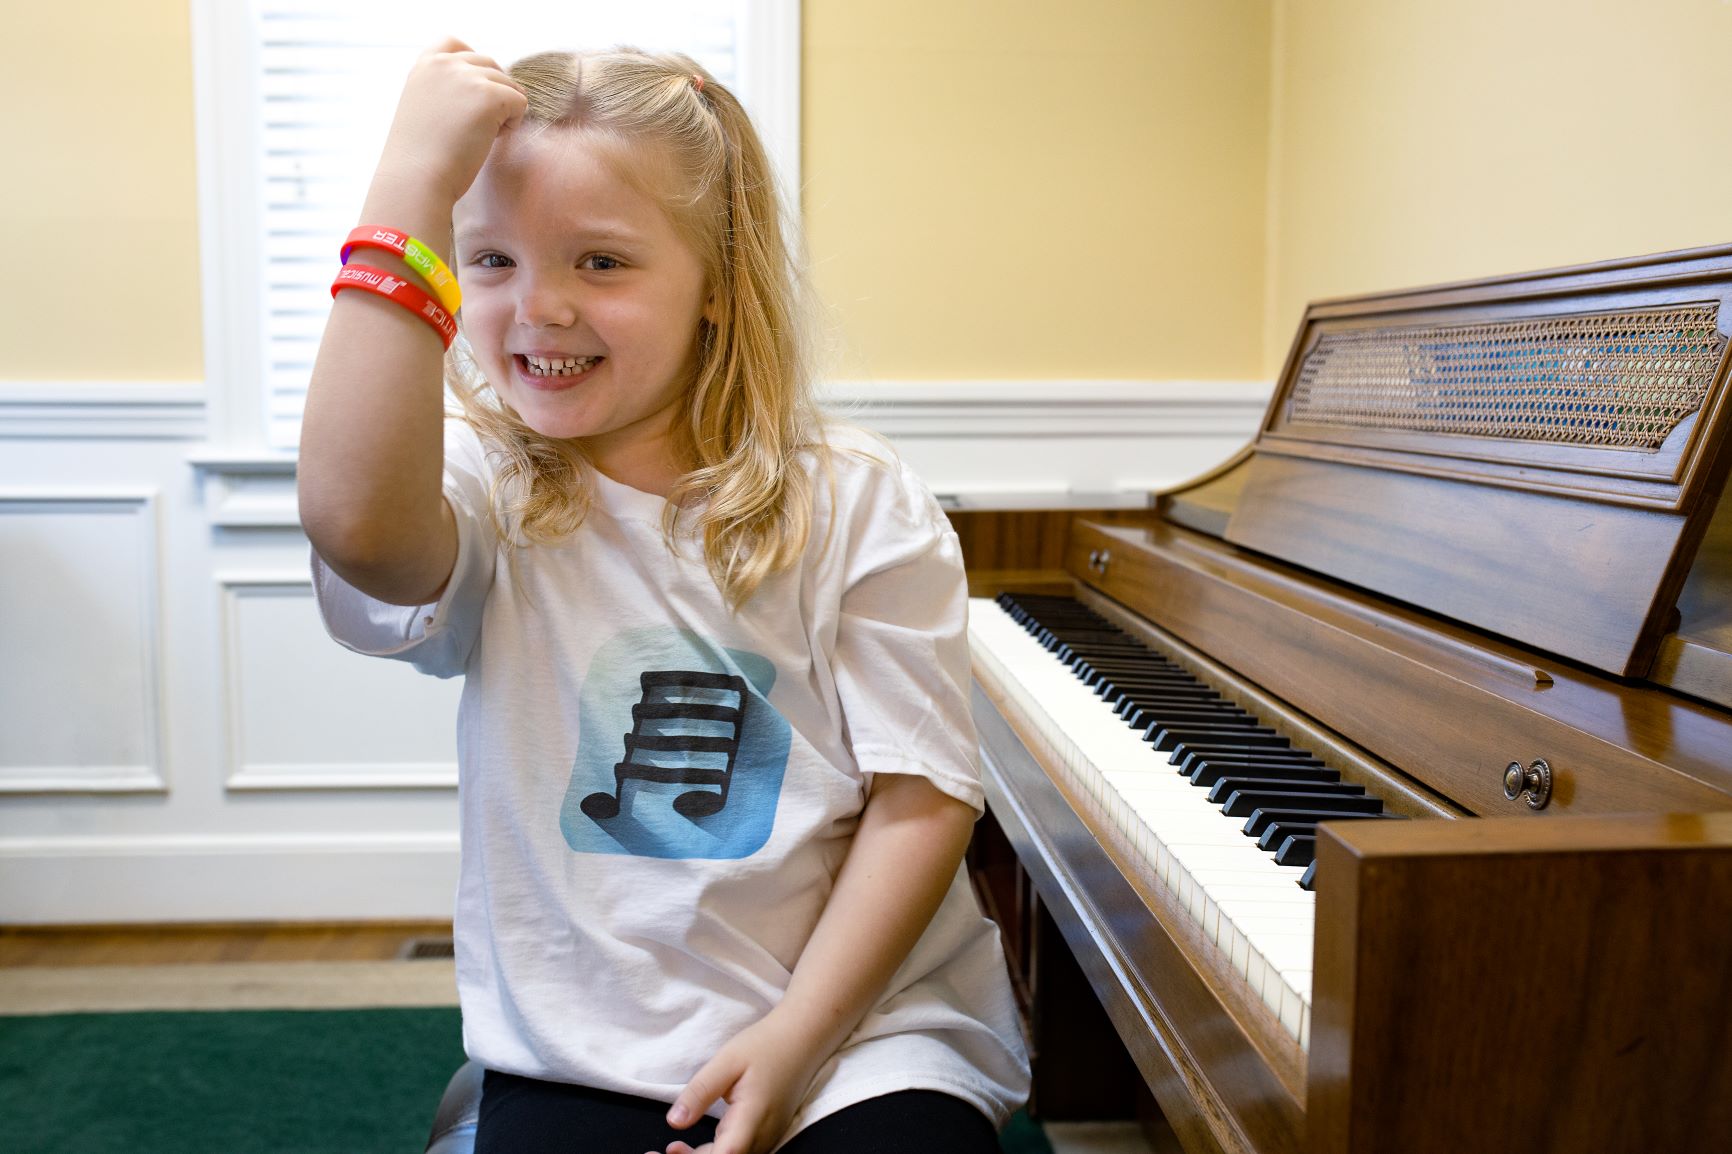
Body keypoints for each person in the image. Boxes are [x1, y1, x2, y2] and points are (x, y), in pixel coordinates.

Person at [297, 38, 1030, 1154]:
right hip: (592, 1036)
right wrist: (408, 184)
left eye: (599, 262)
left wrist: (792, 1041)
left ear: (717, 288)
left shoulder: (857, 498)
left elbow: (920, 801)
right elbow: (355, 523)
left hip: (865, 1030)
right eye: (489, 260)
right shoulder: (481, 486)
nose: (538, 309)